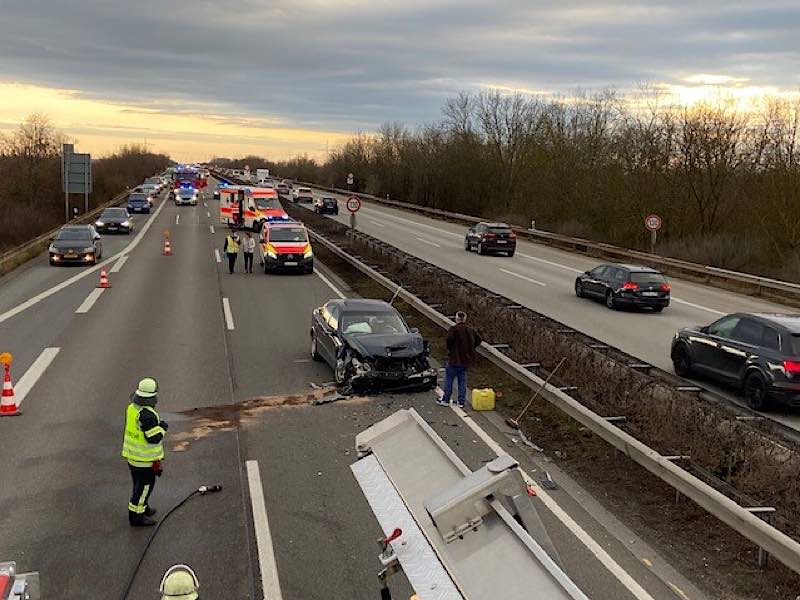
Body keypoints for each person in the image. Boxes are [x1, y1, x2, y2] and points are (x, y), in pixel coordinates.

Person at [121, 377, 168, 527]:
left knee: (138, 485)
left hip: (132, 457)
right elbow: (154, 438)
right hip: (144, 460)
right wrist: (162, 428)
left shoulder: (132, 408)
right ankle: (136, 516)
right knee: (144, 487)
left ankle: (143, 507)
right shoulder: (147, 414)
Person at [438, 311, 482, 408]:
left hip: (454, 360)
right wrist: (471, 348)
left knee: (449, 379)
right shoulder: (470, 330)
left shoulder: (453, 329)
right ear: (465, 319)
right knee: (462, 381)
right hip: (465, 360)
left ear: (456, 318)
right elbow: (479, 339)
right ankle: (461, 401)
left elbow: (448, 340)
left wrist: (450, 350)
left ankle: (445, 399)